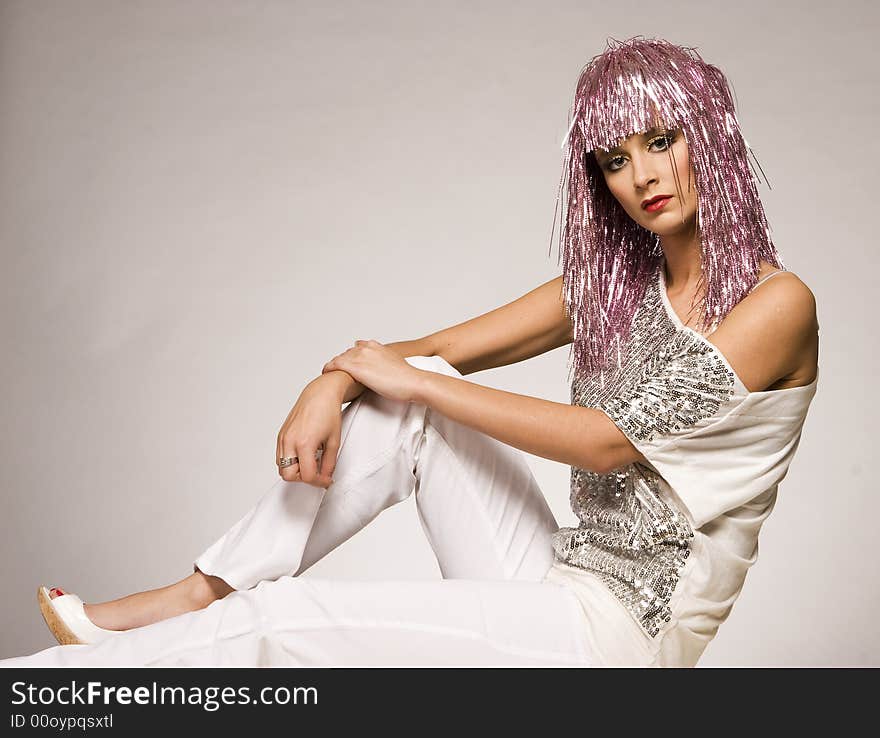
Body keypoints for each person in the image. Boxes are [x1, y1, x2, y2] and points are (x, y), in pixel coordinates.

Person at [0, 35, 818, 668]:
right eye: (614, 159)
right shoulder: (613, 284)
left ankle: (47, 688)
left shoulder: (775, 306)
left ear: (707, 134)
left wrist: (404, 382)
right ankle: (193, 593)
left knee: (286, 625)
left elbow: (606, 442)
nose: (642, 175)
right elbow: (439, 349)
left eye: (661, 140)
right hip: (558, 583)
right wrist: (338, 382)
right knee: (416, 392)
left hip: (619, 638)